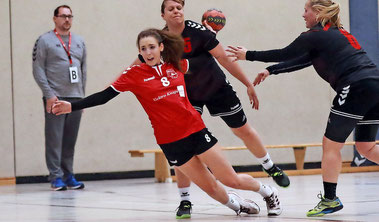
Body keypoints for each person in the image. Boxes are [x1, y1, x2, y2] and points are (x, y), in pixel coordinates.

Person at [52, 28, 283, 217]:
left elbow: (210, 63)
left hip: (196, 131)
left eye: (152, 46)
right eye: (143, 49)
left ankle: (266, 191)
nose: (148, 51)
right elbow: (104, 96)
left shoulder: (177, 65)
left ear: (161, 47)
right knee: (212, 188)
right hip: (170, 142)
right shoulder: (133, 74)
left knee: (229, 178)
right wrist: (72, 106)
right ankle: (237, 205)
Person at [227, 0, 379, 217]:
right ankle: (330, 199)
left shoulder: (314, 35)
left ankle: (330, 199)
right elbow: (305, 59)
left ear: (318, 13)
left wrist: (248, 54)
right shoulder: (334, 33)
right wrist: (272, 71)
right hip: (374, 85)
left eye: (306, 10)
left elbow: (285, 52)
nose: (303, 15)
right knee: (366, 147)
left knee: (331, 145)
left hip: (355, 86)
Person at [156, 1, 290, 218]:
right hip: (189, 95)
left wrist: (248, 84)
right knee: (184, 143)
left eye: (179, 7)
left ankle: (270, 166)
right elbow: (144, 62)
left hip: (217, 88)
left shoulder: (198, 32)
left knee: (242, 130)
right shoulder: (161, 39)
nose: (176, 11)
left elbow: (223, 58)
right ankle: (185, 200)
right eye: (171, 8)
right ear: (163, 15)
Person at [32, 5, 86, 191]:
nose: (67, 20)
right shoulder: (44, 40)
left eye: (70, 16)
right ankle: (56, 176)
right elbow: (38, 69)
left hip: (75, 98)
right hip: (56, 97)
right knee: (55, 139)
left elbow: (83, 70)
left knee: (70, 140)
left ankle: (68, 174)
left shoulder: (79, 41)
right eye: (63, 16)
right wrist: (49, 95)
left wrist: (82, 97)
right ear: (55, 18)